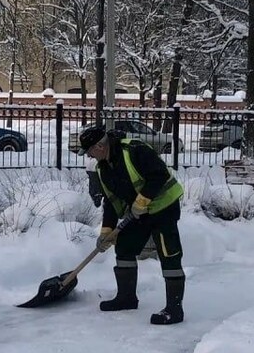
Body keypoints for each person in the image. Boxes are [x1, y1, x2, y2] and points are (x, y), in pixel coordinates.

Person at [79, 124, 186, 324]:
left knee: (168, 253)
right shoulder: (104, 168)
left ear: (99, 146)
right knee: (125, 245)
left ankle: (174, 309)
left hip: (164, 207)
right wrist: (106, 232)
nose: (89, 156)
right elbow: (111, 202)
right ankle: (126, 298)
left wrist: (142, 200)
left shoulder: (134, 149)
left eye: (89, 151)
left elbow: (159, 174)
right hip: (140, 213)